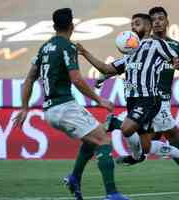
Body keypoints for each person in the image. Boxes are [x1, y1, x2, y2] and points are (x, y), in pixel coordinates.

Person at [13, 8, 129, 200]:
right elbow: (76, 79)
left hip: (49, 110)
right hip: (64, 106)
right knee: (103, 141)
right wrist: (99, 99)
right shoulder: (67, 46)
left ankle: (75, 178)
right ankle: (112, 194)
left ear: (53, 26)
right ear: (72, 26)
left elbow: (29, 79)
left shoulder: (44, 48)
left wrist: (25, 107)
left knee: (91, 139)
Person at [108, 6, 179, 191]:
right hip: (151, 100)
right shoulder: (141, 45)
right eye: (154, 19)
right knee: (173, 137)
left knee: (151, 143)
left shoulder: (174, 46)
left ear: (167, 22)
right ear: (150, 24)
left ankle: (137, 156)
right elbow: (124, 67)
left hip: (161, 100)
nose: (157, 22)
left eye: (161, 18)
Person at [77, 13, 179, 167]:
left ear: (148, 27)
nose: (133, 28)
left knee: (126, 128)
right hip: (133, 101)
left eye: (137, 24)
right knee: (147, 147)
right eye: (132, 25)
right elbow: (106, 68)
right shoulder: (130, 53)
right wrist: (85, 53)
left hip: (148, 99)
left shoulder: (156, 45)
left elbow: (178, 60)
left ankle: (131, 149)